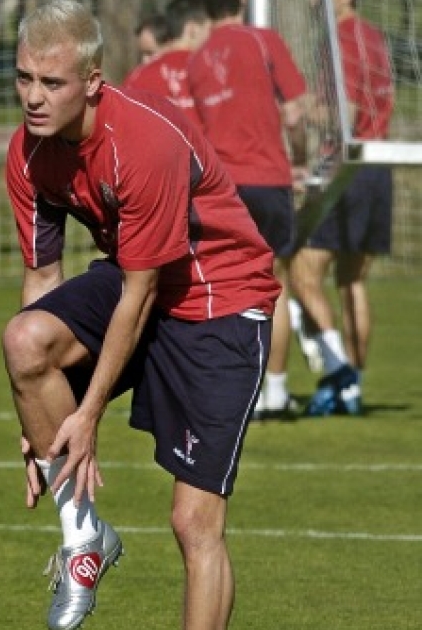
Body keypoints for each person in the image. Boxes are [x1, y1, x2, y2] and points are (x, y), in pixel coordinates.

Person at [1, 2, 280, 628]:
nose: (34, 97)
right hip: (137, 274)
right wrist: (36, 413)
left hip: (219, 301)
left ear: (92, 81)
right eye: (24, 78)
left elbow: (142, 293)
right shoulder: (27, 152)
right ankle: (84, 539)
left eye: (52, 82)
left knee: (194, 522)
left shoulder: (143, 140)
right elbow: (42, 278)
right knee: (24, 340)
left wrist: (87, 412)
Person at [187, 0, 309, 421]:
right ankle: (275, 391)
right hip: (268, 177)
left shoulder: (198, 59)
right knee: (275, 284)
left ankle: (232, 389)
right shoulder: (263, 40)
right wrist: (299, 157)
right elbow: (294, 111)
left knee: (224, 285)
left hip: (222, 186)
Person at [292, 0, 395, 416]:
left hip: (348, 168)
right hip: (379, 163)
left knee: (301, 272)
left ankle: (339, 371)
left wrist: (302, 108)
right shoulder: (374, 36)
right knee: (352, 281)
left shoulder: (344, 39)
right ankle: (354, 391)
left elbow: (345, 117)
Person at [123, 0, 210, 128]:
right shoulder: (210, 67)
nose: (211, 36)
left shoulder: (137, 77)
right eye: (209, 29)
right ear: (193, 29)